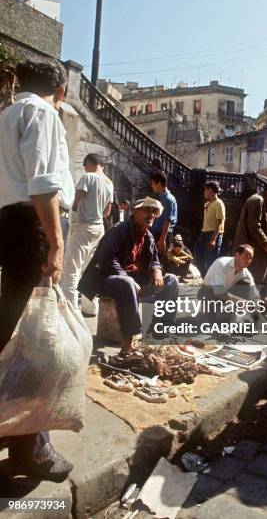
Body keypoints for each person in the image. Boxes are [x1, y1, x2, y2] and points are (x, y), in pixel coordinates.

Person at [0, 60, 74, 481]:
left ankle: (12, 429)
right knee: (38, 340)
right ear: (60, 91)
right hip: (34, 226)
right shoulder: (43, 113)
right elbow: (43, 185)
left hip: (8, 223)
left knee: (10, 328)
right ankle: (31, 449)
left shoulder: (7, 114)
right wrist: (57, 241)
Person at [78, 197, 179, 355]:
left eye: (154, 212)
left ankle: (160, 331)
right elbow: (106, 259)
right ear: (135, 212)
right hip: (107, 281)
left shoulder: (148, 237)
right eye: (147, 210)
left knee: (172, 281)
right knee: (126, 283)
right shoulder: (119, 230)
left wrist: (157, 270)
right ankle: (128, 341)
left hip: (134, 283)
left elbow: (154, 260)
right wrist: (128, 278)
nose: (151, 215)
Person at [61, 154, 113, 313]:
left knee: (71, 269)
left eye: (85, 166)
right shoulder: (109, 183)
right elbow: (107, 212)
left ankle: (69, 310)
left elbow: (76, 200)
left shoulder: (87, 177)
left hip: (83, 226)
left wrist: (74, 210)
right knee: (90, 270)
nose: (85, 169)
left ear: (89, 163)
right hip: (99, 228)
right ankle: (90, 308)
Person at [233, 181, 267, 287]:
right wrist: (266, 243)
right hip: (251, 247)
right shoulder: (257, 200)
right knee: (251, 278)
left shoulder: (263, 202)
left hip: (254, 248)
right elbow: (254, 225)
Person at [194, 181, 226, 277]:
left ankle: (211, 285)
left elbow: (219, 223)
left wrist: (213, 239)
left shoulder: (219, 203)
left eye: (205, 190)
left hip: (213, 235)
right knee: (197, 258)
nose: (204, 192)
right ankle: (206, 280)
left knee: (210, 262)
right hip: (203, 234)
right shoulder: (208, 203)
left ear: (210, 190)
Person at [150, 171, 177, 258]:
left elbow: (167, 221)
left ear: (159, 183)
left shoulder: (168, 199)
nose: (151, 186)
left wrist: (162, 240)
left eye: (153, 183)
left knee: (159, 263)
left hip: (161, 235)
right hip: (157, 234)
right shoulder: (162, 197)